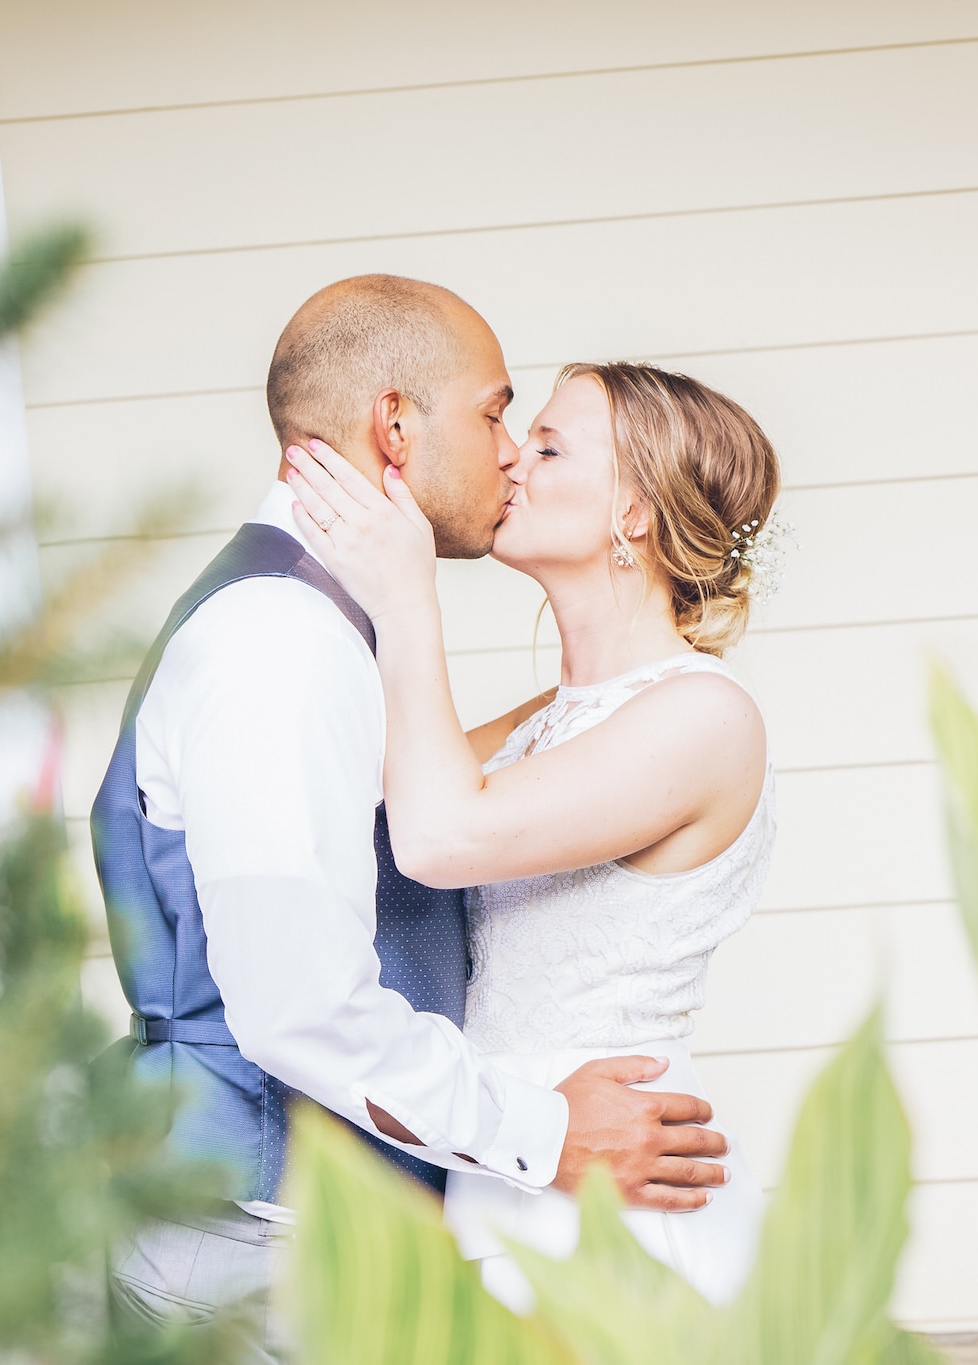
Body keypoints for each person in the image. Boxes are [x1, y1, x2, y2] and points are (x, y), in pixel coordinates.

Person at [91, 275, 729, 1358]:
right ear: (395, 425)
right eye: (492, 415)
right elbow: (300, 1008)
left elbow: (427, 801)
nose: (508, 453)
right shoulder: (275, 643)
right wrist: (548, 1135)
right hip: (263, 1237)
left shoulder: (312, 626)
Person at [283, 355, 780, 1309]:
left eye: (549, 446)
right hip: (517, 1145)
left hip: (615, 1179)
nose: (511, 462)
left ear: (634, 511)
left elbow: (435, 837)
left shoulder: (704, 715)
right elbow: (368, 793)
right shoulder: (550, 719)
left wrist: (405, 594)